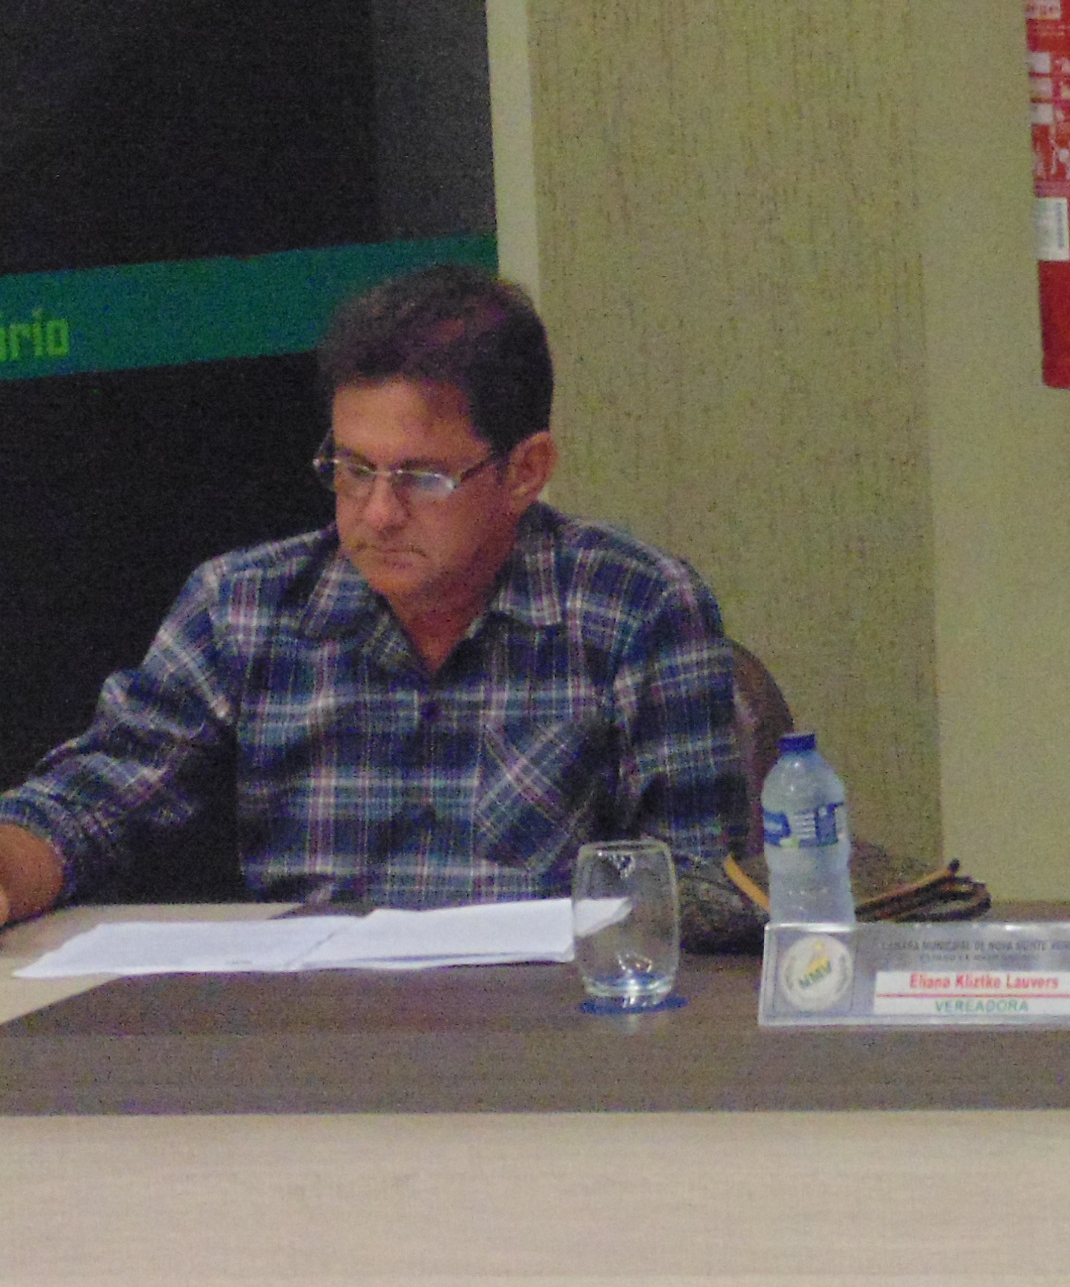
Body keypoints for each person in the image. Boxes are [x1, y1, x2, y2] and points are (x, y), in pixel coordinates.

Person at [0, 264, 738, 923]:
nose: (378, 514)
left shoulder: (636, 608)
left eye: (422, 478)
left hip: (544, 1018)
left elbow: (697, 893)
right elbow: (93, 801)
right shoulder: (245, 606)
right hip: (312, 1014)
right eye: (353, 470)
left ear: (525, 471)